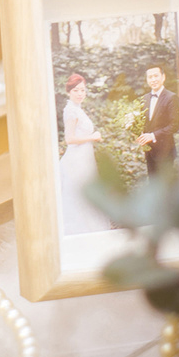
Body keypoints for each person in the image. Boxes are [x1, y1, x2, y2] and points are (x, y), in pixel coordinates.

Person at [58, 73, 110, 236]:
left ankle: (88, 228)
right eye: (76, 90)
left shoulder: (78, 109)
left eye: (82, 90)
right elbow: (69, 139)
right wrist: (92, 137)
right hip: (76, 160)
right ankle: (78, 230)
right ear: (69, 91)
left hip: (84, 158)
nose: (80, 93)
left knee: (85, 192)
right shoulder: (71, 111)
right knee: (77, 194)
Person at [137, 64, 179, 177]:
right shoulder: (144, 99)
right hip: (150, 152)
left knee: (167, 185)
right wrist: (137, 132)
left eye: (156, 76)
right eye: (150, 77)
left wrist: (153, 136)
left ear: (163, 77)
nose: (153, 80)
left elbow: (174, 126)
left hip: (165, 152)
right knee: (153, 183)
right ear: (147, 80)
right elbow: (144, 124)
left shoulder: (171, 97)